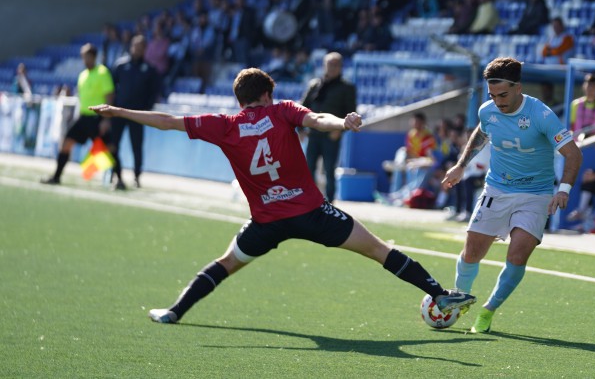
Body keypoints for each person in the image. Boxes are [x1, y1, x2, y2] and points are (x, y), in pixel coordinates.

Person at [88, 67, 476, 324]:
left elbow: (168, 122)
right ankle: (440, 295)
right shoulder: (283, 111)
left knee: (225, 263)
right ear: (268, 93)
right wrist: (344, 121)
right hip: (312, 213)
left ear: (241, 99)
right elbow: (318, 121)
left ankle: (175, 311)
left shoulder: (223, 125)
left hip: (266, 222)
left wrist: (120, 111)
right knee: (378, 249)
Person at [441, 57, 583, 333]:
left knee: (517, 256)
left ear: (518, 87)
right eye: (492, 95)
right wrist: (461, 165)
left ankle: (488, 311)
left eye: (503, 94)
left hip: (536, 195)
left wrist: (563, 190)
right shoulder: (487, 111)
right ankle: (458, 298)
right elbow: (481, 134)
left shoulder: (541, 115)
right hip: (497, 189)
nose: (497, 101)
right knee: (472, 252)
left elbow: (573, 153)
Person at [41, 43, 114, 185]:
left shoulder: (102, 72)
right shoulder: (83, 75)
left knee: (109, 148)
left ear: (93, 57)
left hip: (97, 118)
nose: (84, 60)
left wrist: (106, 119)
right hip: (83, 116)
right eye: (82, 57)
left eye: (86, 57)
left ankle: (119, 179)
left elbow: (109, 96)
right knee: (66, 143)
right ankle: (56, 176)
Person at [301, 52, 357, 202]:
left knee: (329, 169)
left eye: (335, 65)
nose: (332, 68)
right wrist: (301, 129)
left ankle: (330, 201)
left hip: (331, 134)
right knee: (309, 168)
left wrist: (340, 129)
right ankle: (310, 200)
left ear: (341, 67)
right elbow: (302, 108)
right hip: (313, 133)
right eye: (329, 64)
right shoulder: (315, 84)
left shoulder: (347, 87)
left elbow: (350, 112)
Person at [109, 35, 161, 189]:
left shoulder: (149, 70)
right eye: (135, 46)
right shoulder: (120, 65)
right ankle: (114, 172)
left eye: (141, 46)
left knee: (136, 146)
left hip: (138, 114)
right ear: (131, 46)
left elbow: (154, 91)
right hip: (118, 113)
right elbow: (111, 88)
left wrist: (146, 109)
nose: (137, 49)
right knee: (113, 144)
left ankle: (137, 176)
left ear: (145, 49)